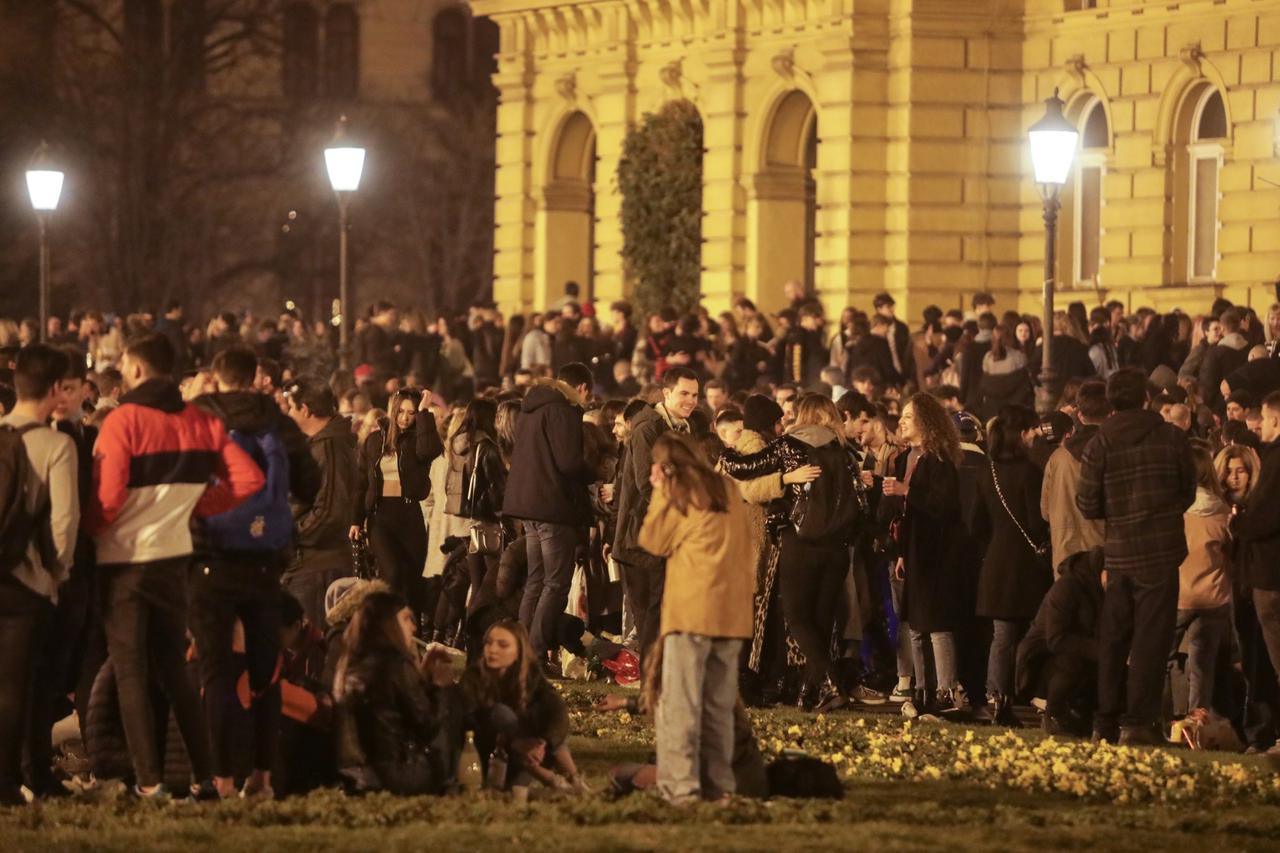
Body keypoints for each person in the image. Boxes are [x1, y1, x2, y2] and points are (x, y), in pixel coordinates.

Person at [87, 333, 265, 798]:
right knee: (173, 668)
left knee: (130, 670)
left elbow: (106, 500)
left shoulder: (122, 420)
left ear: (139, 370)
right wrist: (198, 506)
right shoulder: (201, 422)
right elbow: (249, 477)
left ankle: (149, 781)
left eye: (125, 367)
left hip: (124, 561)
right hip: (175, 558)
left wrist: (89, 530)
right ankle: (207, 775)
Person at [190, 347, 321, 800]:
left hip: (208, 558)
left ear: (216, 377)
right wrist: (274, 513)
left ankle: (221, 776)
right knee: (266, 672)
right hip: (264, 562)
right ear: (255, 378)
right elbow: (310, 482)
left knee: (217, 672)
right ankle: (262, 776)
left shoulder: (195, 418)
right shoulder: (274, 420)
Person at [630, 432, 756, 803]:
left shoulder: (678, 491)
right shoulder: (727, 490)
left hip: (691, 613)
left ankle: (681, 789)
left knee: (680, 705)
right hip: (731, 614)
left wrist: (658, 492)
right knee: (718, 708)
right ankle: (719, 787)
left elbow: (652, 541)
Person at [1076, 367, 1196, 746]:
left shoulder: (1100, 443)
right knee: (1152, 638)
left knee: (1114, 638)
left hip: (1120, 553)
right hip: (1161, 553)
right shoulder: (1172, 438)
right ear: (1146, 398)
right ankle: (1139, 722)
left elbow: (1087, 503)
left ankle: (1106, 720)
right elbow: (1187, 492)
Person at [720, 395, 855, 711]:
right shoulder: (845, 451)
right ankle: (810, 694)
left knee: (797, 617)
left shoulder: (790, 445)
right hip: (837, 548)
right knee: (821, 622)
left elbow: (743, 467)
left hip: (800, 542)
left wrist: (728, 446)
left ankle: (831, 685)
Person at [0, 346, 80, 804]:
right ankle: (8, 782)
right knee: (17, 687)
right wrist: (57, 572)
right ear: (53, 390)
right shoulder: (56, 446)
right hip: (27, 583)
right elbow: (63, 523)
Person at [503, 364, 597, 666]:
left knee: (535, 579)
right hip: (552, 507)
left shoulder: (531, 409)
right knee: (556, 582)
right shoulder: (564, 410)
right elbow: (569, 462)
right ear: (582, 388)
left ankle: (520, 649)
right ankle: (536, 651)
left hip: (527, 506)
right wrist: (591, 472)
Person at [882, 393, 969, 716]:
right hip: (916, 551)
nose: (901, 422)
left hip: (937, 553)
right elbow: (911, 513)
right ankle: (922, 688)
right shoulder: (909, 459)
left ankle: (947, 689)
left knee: (935, 622)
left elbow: (942, 505)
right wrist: (903, 552)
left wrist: (907, 491)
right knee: (914, 624)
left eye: (907, 416)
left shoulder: (939, 460)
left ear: (925, 422)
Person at [611, 366, 700, 666]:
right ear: (667, 393)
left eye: (695, 395)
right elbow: (647, 483)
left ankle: (657, 681)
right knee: (653, 612)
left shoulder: (685, 429)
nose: (691, 401)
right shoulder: (648, 428)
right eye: (684, 394)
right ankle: (652, 682)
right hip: (641, 537)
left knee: (660, 611)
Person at [968, 405, 1050, 726]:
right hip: (1027, 563)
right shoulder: (1031, 472)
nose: (1035, 435)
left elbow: (976, 524)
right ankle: (1029, 691)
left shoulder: (986, 472)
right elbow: (1036, 520)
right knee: (1035, 632)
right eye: (1031, 430)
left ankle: (996, 695)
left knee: (1001, 635)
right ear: (1021, 433)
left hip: (996, 562)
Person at [333, 590, 461, 795]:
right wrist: (439, 686)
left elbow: (393, 709)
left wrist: (421, 677)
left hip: (354, 771)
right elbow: (427, 725)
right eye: (406, 619)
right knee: (453, 707)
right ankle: (455, 782)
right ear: (388, 624)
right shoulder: (395, 663)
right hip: (395, 773)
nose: (414, 626)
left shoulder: (348, 663)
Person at [461, 620, 581, 800]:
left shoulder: (530, 675)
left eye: (502, 645)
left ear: (518, 652)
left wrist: (542, 742)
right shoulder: (473, 678)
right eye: (489, 643)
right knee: (501, 714)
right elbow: (472, 724)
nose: (492, 649)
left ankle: (576, 781)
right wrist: (515, 742)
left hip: (526, 754)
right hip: (488, 755)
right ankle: (553, 782)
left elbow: (555, 708)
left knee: (550, 720)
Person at [352, 387, 444, 611]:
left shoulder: (418, 440)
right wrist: (356, 520)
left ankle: (411, 632)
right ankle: (387, 623)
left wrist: (424, 413)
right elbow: (361, 483)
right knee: (391, 573)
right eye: (401, 411)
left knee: (413, 582)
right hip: (380, 516)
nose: (404, 417)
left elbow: (430, 451)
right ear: (393, 411)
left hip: (409, 514)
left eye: (411, 413)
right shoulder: (374, 441)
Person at [284, 378, 359, 629]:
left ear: (305, 410)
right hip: (309, 563)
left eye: (291, 407)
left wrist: (293, 535)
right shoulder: (320, 445)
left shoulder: (329, 447)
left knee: (313, 647)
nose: (289, 413)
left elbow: (330, 512)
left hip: (317, 568)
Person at [1232, 390, 1280, 756]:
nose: (1259, 425)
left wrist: (1241, 524)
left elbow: (1265, 516)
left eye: (1263, 418)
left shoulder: (1276, 459)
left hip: (1269, 572)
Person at [1172, 442, 1233, 715]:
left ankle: (1155, 719)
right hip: (1214, 597)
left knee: (1158, 659)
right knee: (1202, 667)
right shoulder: (1223, 513)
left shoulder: (1175, 510)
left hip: (1177, 595)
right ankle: (1196, 723)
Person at [1040, 380, 1110, 576]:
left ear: (1079, 415)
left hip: (1064, 555)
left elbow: (1045, 511)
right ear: (1111, 413)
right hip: (1103, 553)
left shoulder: (1058, 458)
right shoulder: (1112, 452)